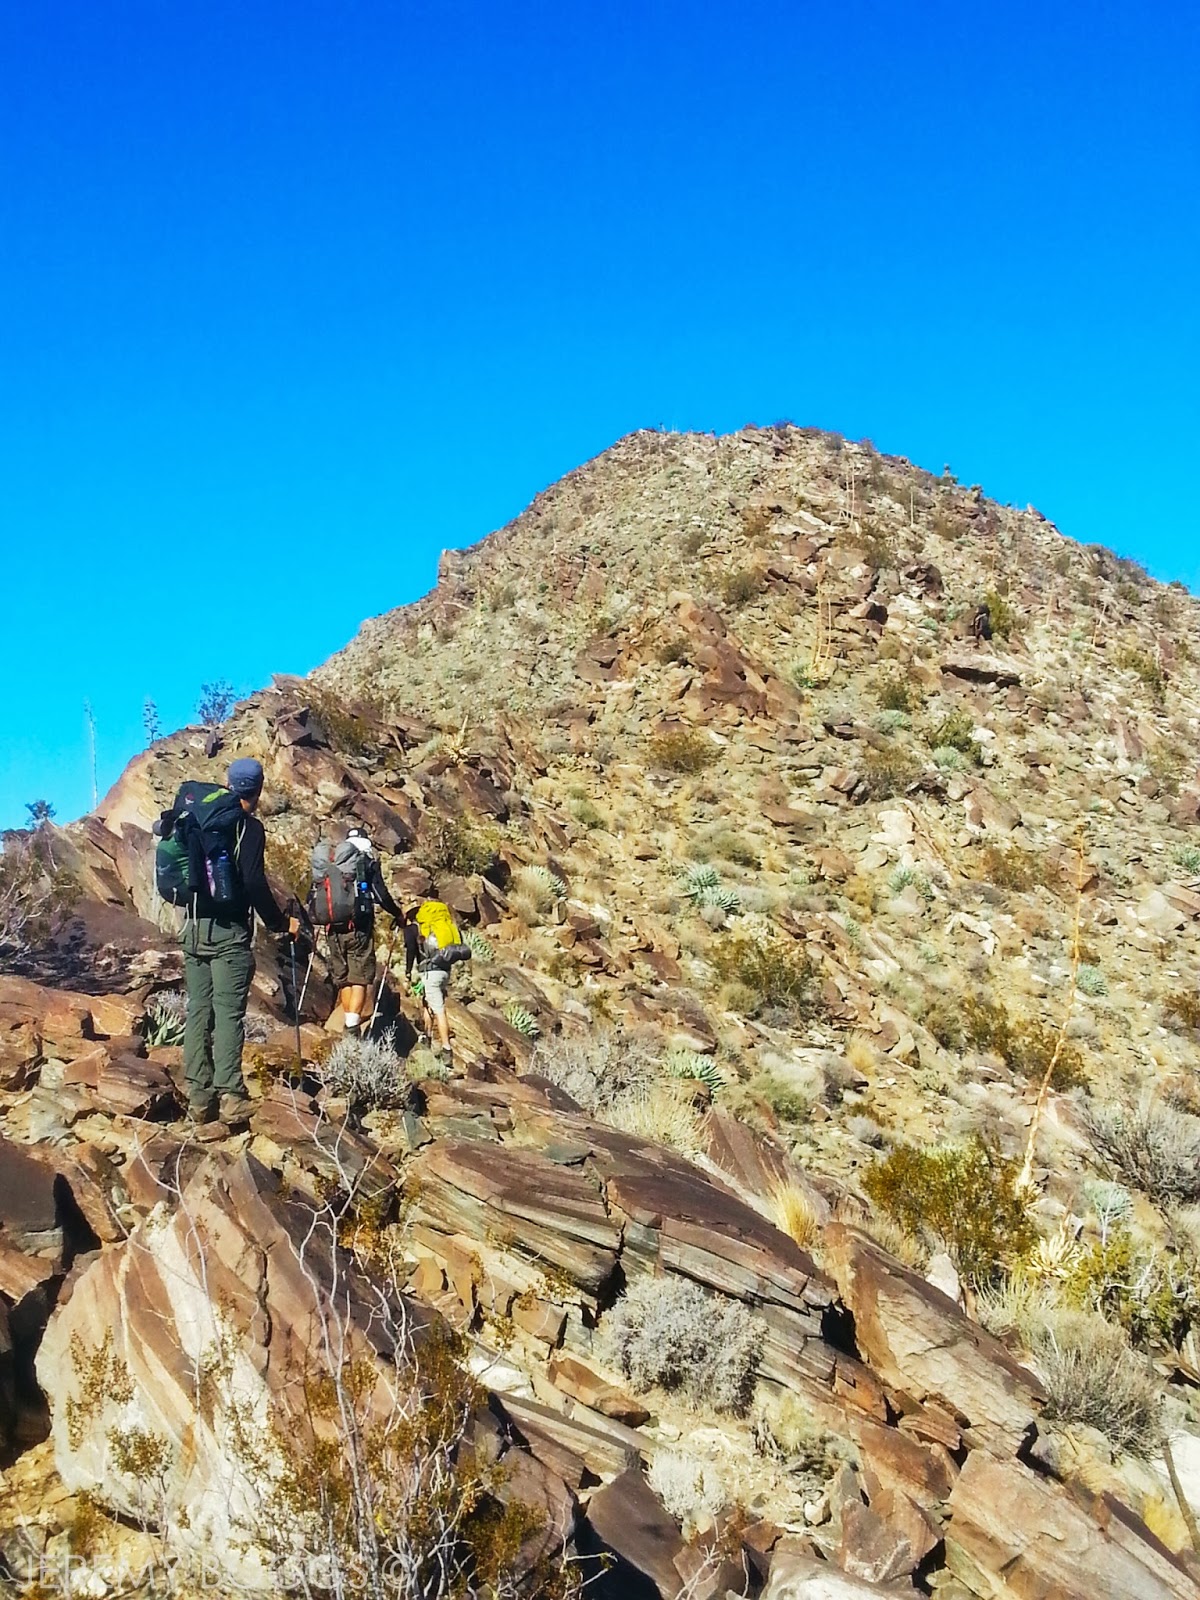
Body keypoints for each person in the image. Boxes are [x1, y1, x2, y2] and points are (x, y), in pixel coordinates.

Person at [183, 758, 300, 1125]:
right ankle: (231, 1097)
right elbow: (252, 882)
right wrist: (280, 922)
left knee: (198, 1011)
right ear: (258, 789)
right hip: (229, 933)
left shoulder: (196, 818)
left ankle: (200, 1101)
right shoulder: (248, 828)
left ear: (228, 784)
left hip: (193, 928)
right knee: (229, 1014)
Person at [323, 826, 403, 1034]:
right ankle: (352, 1027)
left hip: (332, 927)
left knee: (344, 978)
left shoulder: (334, 861)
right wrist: (397, 913)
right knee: (359, 977)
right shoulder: (366, 859)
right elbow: (380, 893)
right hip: (359, 927)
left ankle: (348, 1022)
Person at [403, 901, 473, 1061]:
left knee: (439, 1010)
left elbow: (411, 951)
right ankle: (426, 1038)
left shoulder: (414, 929)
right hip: (445, 970)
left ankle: (447, 1050)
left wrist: (408, 972)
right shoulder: (440, 925)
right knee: (428, 1002)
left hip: (430, 972)